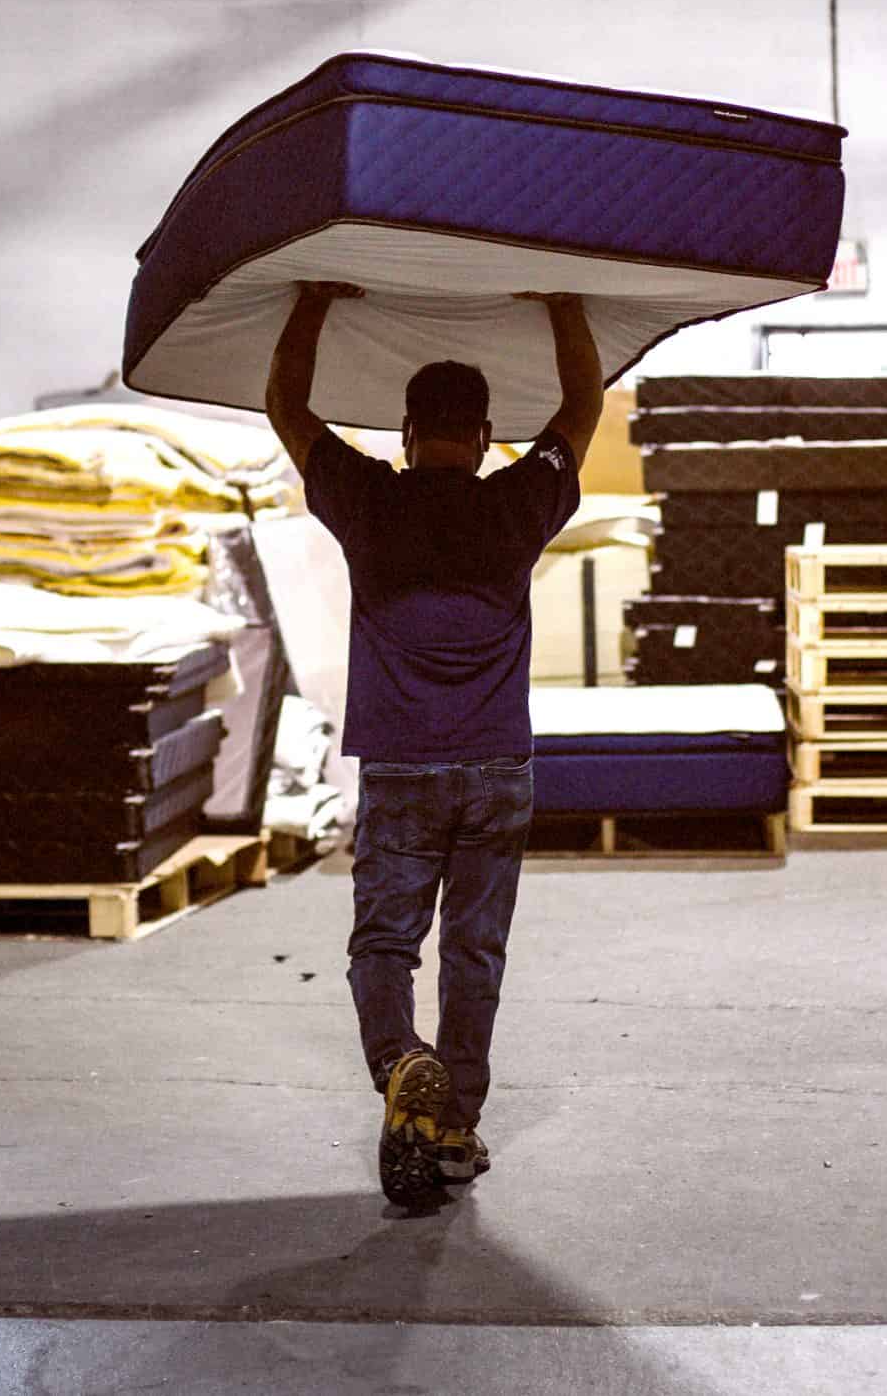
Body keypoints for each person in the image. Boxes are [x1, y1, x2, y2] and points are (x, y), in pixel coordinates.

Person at [264, 281, 602, 1208]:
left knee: (384, 941)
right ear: (489, 432)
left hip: (402, 767)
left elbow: (284, 405)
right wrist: (566, 308)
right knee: (475, 951)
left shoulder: (367, 499)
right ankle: (453, 1125)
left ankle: (401, 1061)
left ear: (408, 434)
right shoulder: (518, 502)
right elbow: (583, 406)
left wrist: (314, 302)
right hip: (499, 766)